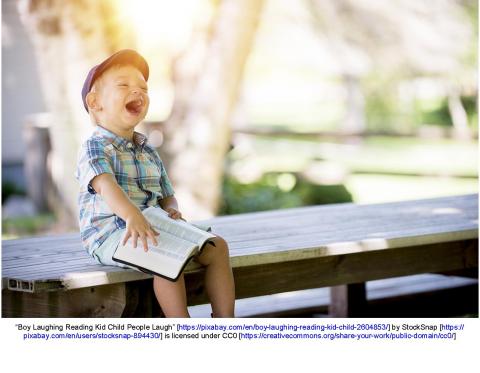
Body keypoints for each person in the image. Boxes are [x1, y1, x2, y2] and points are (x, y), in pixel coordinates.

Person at [76, 49, 235, 317]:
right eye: (124, 85)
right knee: (166, 258)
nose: (137, 91)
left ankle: (226, 322)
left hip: (153, 225)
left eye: (143, 87)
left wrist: (171, 208)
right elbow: (106, 186)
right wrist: (132, 216)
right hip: (111, 234)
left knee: (217, 246)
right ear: (95, 102)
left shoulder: (146, 149)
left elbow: (166, 193)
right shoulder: (94, 146)